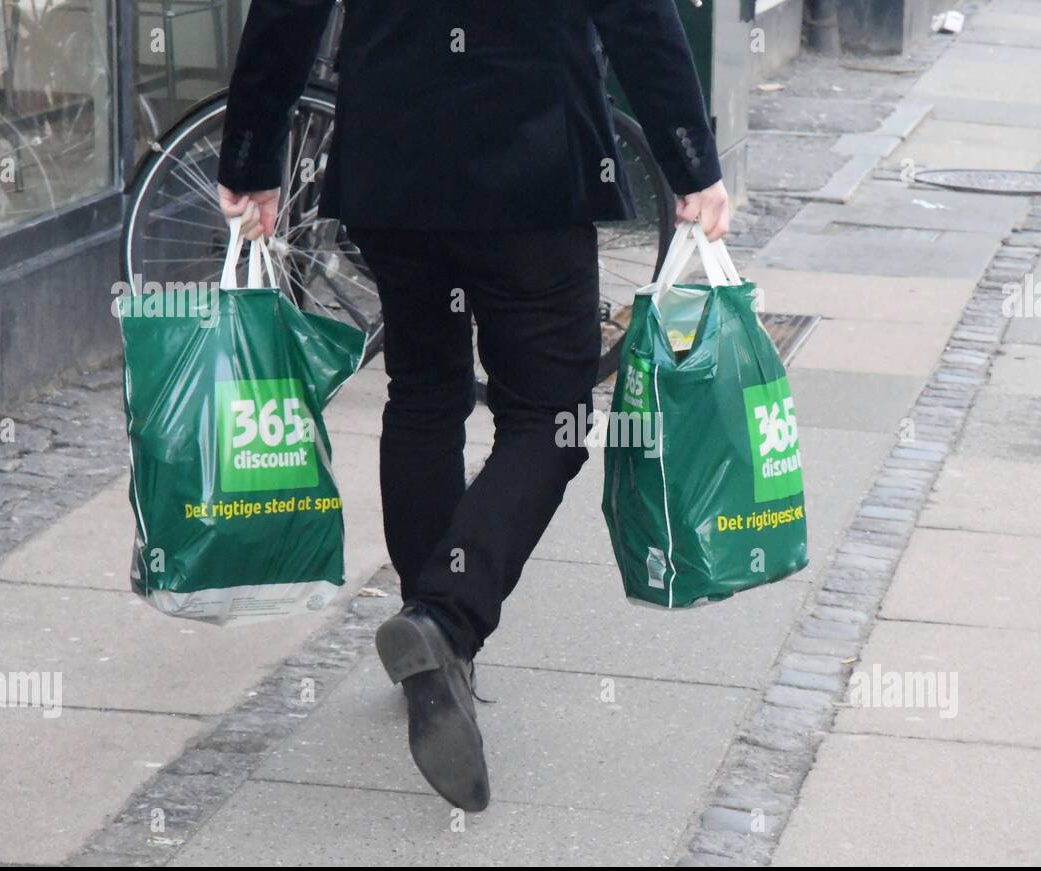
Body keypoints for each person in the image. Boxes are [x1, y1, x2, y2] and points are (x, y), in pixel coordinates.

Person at [217, 0, 730, 813]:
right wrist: (692, 162)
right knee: (549, 419)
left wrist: (250, 156)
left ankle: (434, 654)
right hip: (532, 157)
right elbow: (636, 15)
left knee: (424, 394)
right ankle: (446, 626)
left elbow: (288, 11)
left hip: (393, 153)